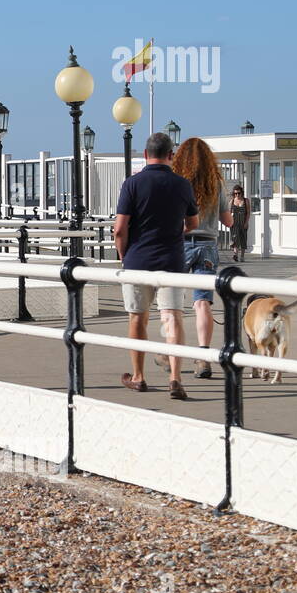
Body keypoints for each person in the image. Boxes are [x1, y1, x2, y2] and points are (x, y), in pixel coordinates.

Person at [114, 132, 199, 400]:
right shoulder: (182, 185)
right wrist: (176, 232)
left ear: (144, 155)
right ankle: (175, 378)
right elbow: (193, 223)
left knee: (138, 318)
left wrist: (123, 255)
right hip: (172, 261)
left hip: (137, 261)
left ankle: (138, 377)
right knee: (173, 318)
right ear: (171, 156)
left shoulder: (132, 184)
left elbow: (119, 229)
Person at [172, 137, 232, 379]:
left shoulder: (177, 183)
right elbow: (228, 221)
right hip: (207, 246)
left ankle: (170, 352)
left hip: (180, 244)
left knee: (173, 302)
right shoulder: (215, 183)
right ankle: (203, 357)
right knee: (202, 303)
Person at [228, 185, 250, 262]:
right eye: (235, 193)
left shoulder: (246, 200)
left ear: (242, 192)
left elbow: (248, 213)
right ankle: (235, 255)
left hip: (243, 222)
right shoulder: (232, 201)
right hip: (234, 223)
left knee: (243, 238)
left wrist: (246, 222)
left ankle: (242, 256)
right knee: (235, 239)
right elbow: (228, 213)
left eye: (238, 193)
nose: (237, 195)